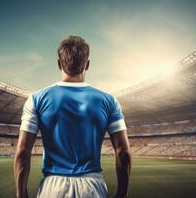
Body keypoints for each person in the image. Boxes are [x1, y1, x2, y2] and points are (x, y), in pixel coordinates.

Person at [14, 36, 132, 198]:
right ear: (87, 64)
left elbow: (22, 151)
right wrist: (122, 194)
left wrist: (21, 195)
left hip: (52, 188)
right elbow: (123, 152)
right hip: (93, 187)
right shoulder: (109, 101)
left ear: (59, 64)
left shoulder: (36, 99)